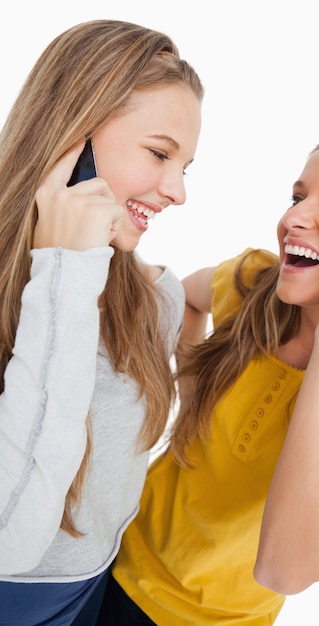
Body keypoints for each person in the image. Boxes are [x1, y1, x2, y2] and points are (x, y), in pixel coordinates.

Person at [99, 120, 319, 625]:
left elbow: (284, 571)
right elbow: (181, 298)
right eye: (297, 195)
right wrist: (189, 396)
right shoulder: (251, 283)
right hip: (109, 559)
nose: (294, 217)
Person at [0, 19, 203, 626]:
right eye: (160, 153)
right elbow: (11, 533)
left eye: (186, 166)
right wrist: (63, 271)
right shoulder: (59, 283)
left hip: (96, 584)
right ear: (74, 140)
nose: (177, 191)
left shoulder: (155, 297)